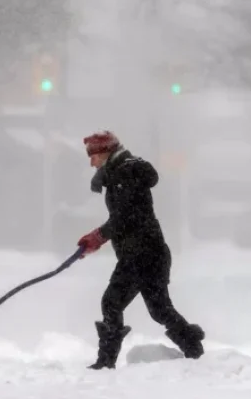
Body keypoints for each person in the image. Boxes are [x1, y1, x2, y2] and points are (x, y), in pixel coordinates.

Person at [76, 130, 204, 369]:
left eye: (93, 155)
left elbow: (126, 216)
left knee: (112, 302)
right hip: (150, 252)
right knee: (159, 309)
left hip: (141, 254)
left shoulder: (125, 173)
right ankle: (193, 349)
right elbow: (125, 215)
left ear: (106, 152)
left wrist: (98, 236)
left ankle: (106, 362)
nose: (91, 161)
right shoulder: (120, 172)